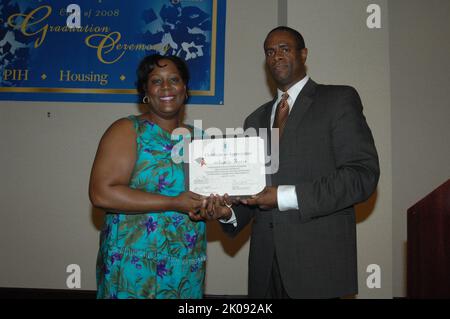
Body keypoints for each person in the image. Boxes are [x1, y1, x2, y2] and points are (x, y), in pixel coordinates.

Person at [205, 26, 380, 299]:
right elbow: (254, 192)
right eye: (270, 52)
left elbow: (362, 176)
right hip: (265, 268)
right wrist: (228, 213)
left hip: (317, 265)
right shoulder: (255, 119)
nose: (276, 56)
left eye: (284, 49)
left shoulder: (338, 100)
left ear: (303, 54)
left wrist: (284, 196)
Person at [89, 54, 207, 299]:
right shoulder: (127, 130)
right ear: (145, 90)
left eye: (174, 79)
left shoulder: (202, 139)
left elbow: (208, 197)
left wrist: (217, 207)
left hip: (184, 266)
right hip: (133, 266)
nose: (166, 87)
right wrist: (173, 203)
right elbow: (102, 193)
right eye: (156, 81)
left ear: (185, 88)